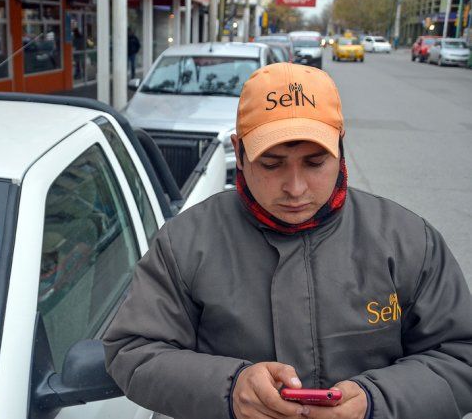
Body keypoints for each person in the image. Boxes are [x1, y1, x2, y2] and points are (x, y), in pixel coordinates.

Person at [102, 62, 472, 419]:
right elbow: (133, 351)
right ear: (240, 152)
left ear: (341, 147)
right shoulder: (184, 243)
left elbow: (460, 357)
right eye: (272, 163)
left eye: (314, 163)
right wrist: (231, 390)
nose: (295, 189)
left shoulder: (408, 241)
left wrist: (375, 401)